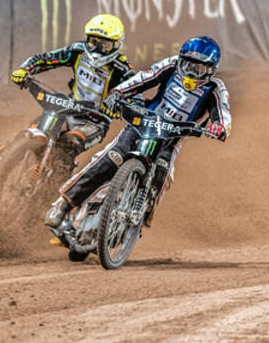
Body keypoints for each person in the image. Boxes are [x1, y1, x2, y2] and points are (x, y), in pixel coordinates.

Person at [45, 36, 231, 229]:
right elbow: (144, 78)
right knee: (111, 158)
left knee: (163, 175)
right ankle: (63, 205)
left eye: (199, 69)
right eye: (188, 64)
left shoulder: (216, 88)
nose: (191, 71)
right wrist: (119, 93)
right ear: (181, 59)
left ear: (211, 70)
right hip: (143, 123)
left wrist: (220, 127)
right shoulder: (171, 65)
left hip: (171, 139)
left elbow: (222, 112)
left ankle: (139, 218)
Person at [0, 14, 133, 191]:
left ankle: (51, 199)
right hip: (67, 109)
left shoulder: (123, 70)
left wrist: (118, 107)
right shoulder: (78, 51)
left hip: (94, 122)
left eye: (105, 44)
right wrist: (24, 70)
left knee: (68, 145)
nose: (97, 48)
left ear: (117, 45)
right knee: (27, 134)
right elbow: (44, 59)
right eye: (93, 41)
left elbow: (133, 96)